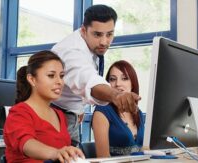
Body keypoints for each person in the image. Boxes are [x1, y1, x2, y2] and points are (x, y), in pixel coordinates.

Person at [51, 4, 140, 146]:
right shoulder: (71, 51)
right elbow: (87, 79)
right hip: (54, 116)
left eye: (109, 34)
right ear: (83, 30)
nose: (104, 42)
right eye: (97, 34)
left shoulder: (92, 45)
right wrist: (116, 95)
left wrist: (79, 107)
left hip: (71, 112)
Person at [3, 50, 84, 163]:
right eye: (51, 75)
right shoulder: (19, 112)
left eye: (61, 76)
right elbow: (27, 143)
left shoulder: (59, 114)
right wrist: (56, 153)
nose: (59, 81)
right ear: (32, 79)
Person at [92, 60, 145, 157]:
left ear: (132, 83)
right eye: (112, 79)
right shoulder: (102, 112)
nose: (117, 84)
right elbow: (103, 158)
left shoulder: (138, 113)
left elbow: (144, 150)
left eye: (124, 78)